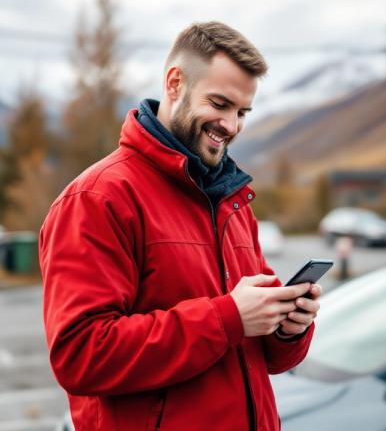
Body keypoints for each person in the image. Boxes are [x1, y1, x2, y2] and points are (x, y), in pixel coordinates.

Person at [39, 21, 321, 431]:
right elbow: (81, 356)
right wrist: (227, 318)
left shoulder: (233, 201)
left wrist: (288, 328)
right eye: (220, 104)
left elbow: (268, 359)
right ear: (175, 83)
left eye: (242, 112)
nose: (232, 125)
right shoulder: (98, 199)